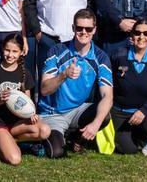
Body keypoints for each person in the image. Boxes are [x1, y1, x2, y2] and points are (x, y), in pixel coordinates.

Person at [38, 9, 113, 158]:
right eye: (79, 28)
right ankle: (48, 138)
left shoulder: (101, 57)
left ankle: (76, 139)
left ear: (94, 30)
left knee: (104, 116)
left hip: (77, 110)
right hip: (52, 114)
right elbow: (44, 90)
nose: (83, 32)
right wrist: (64, 75)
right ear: (73, 28)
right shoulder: (57, 51)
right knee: (57, 153)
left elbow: (108, 96)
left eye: (88, 29)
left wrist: (95, 124)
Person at [0, 34, 51, 165]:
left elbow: (27, 103)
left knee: (45, 130)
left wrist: (31, 115)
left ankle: (10, 141)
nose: (10, 55)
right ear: (2, 49)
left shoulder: (25, 73)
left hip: (16, 125)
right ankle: (0, 141)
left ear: (21, 52)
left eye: (15, 51)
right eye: (7, 50)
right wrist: (0, 101)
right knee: (15, 159)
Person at [110, 19, 147, 155]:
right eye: (137, 33)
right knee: (128, 150)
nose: (141, 37)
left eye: (146, 33)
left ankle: (145, 137)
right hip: (120, 111)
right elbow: (108, 84)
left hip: (146, 113)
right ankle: (133, 137)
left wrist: (144, 110)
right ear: (132, 35)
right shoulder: (118, 55)